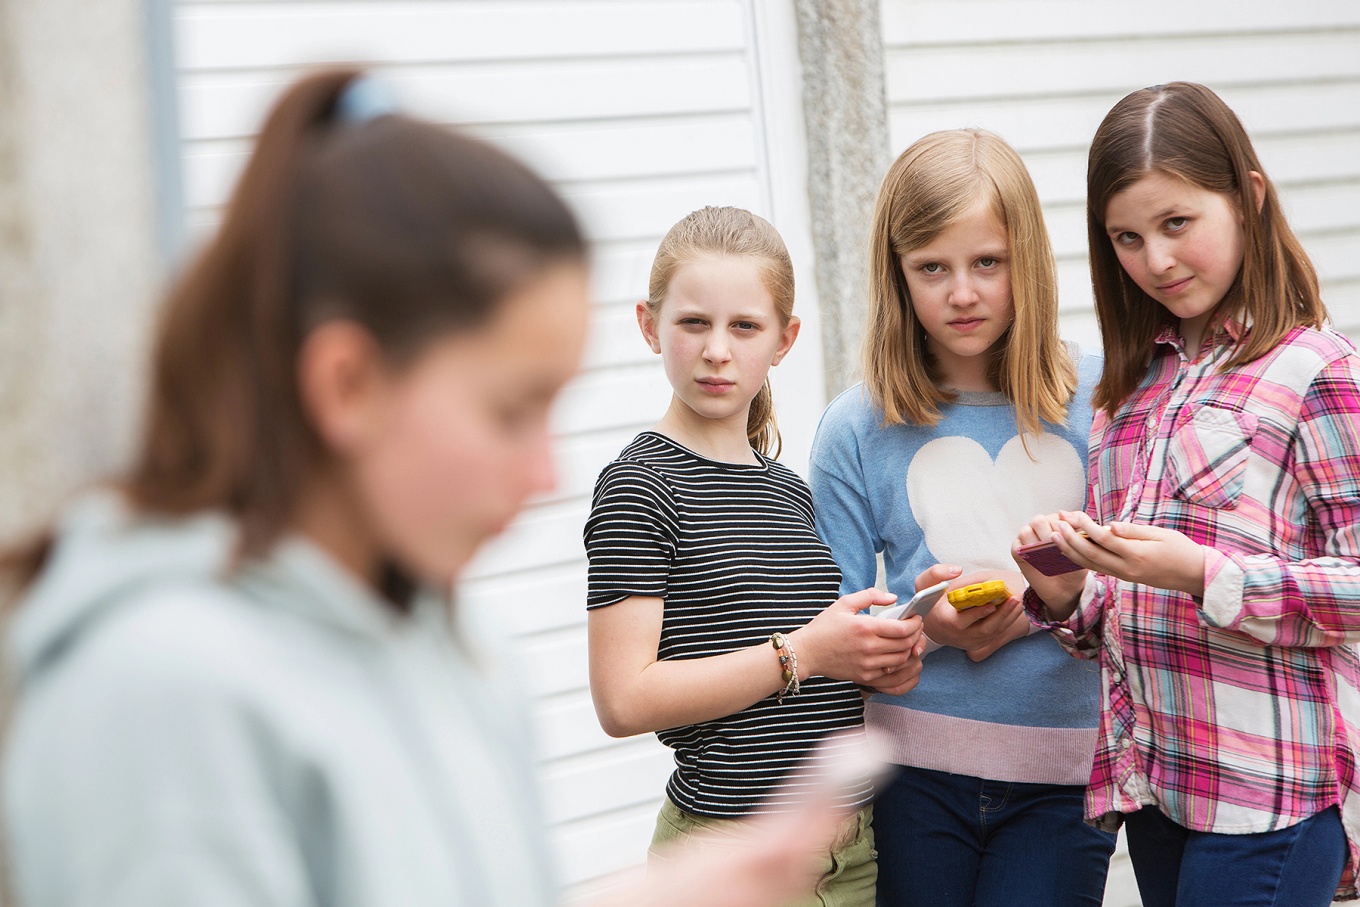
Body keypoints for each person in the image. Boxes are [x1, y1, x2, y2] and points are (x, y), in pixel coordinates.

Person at [1, 69, 868, 907]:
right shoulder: (158, 698)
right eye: (509, 411)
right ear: (348, 384)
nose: (547, 473)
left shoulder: (454, 648)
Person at [1015, 81, 1360, 907]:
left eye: (1177, 224)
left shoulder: (1317, 371)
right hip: (1158, 794)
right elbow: (1120, 617)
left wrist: (1205, 572)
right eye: (1126, 238)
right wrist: (1066, 590)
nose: (1155, 261)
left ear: (1248, 197)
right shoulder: (1127, 394)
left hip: (1269, 798)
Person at [584, 206, 926, 907]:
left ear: (784, 339)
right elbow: (623, 699)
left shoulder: (789, 491)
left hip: (850, 852)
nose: (718, 349)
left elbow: (798, 682)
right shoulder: (639, 486)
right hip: (729, 857)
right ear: (650, 326)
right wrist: (803, 650)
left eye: (744, 326)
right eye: (693, 323)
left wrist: (879, 654)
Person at [808, 129, 1115, 906]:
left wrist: (1038, 603)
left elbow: (1140, 577)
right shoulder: (853, 426)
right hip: (912, 775)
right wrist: (923, 625)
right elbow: (835, 623)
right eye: (931, 268)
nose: (963, 293)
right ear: (897, 274)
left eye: (988, 262)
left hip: (1064, 776)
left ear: (1029, 262)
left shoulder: (1103, 396)